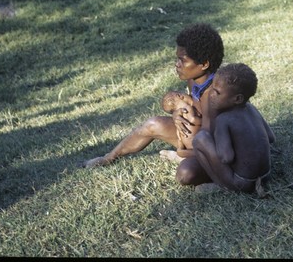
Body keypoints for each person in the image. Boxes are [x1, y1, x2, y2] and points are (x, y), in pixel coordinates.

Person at [81, 23, 224, 187]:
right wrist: (178, 115)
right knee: (153, 124)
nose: (177, 64)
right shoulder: (194, 79)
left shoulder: (218, 92)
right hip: (195, 139)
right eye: (177, 58)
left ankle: (220, 181)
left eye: (182, 60)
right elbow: (194, 110)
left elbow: (218, 140)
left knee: (186, 174)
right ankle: (108, 157)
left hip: (216, 150)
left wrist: (183, 152)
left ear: (204, 64)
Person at [192, 63, 275, 193]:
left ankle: (221, 185)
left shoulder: (223, 119)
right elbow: (270, 137)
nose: (211, 94)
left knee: (200, 139)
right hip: (266, 176)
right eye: (212, 88)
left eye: (217, 92)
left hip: (243, 183)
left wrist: (216, 141)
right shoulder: (252, 109)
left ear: (237, 99)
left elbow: (226, 157)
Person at [161, 91, 201, 159]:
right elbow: (192, 120)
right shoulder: (187, 108)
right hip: (198, 143)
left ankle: (181, 154)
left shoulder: (178, 122)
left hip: (188, 147)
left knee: (180, 151)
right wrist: (205, 121)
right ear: (180, 96)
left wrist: (180, 148)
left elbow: (179, 137)